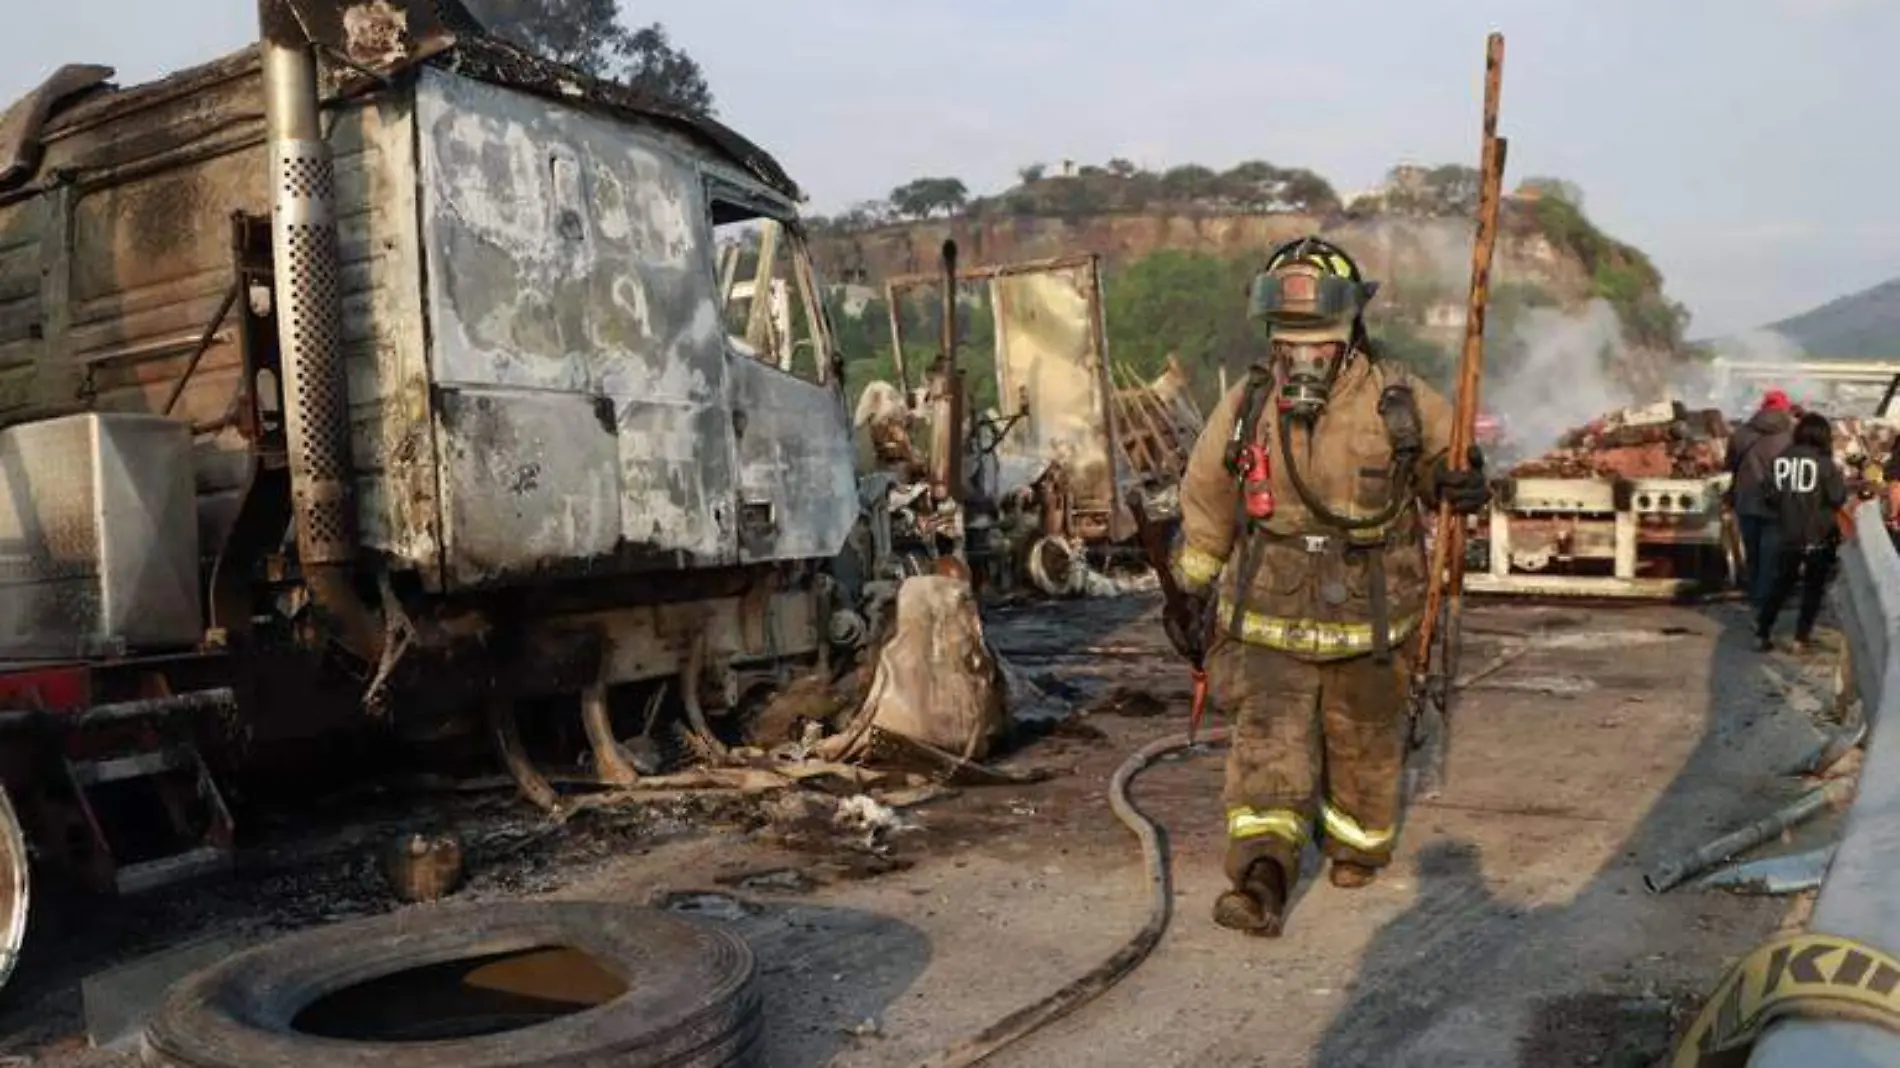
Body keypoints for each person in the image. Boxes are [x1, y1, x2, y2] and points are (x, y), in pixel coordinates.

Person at [1167, 237, 1490, 937]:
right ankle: (1262, 874)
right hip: (1268, 615)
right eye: (1288, 339)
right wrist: (1192, 575)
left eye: (1317, 338)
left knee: (1366, 746)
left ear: (1348, 336)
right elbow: (1209, 489)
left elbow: (1446, 461)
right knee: (1266, 747)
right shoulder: (1250, 403)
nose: (1302, 354)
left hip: (1374, 617)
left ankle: (1355, 845)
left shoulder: (1400, 402)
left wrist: (1459, 483)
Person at [1756, 411, 1847, 654]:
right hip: (1819, 535)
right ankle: (1800, 638)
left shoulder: (1780, 460)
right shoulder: (1825, 464)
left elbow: (1769, 496)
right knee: (1813, 587)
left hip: (1786, 533)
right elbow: (1838, 498)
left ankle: (1762, 631)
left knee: (1781, 584)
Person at [1727, 389, 1795, 608]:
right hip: (1779, 503)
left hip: (1746, 499)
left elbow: (1729, 466)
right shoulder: (1793, 435)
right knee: (1771, 553)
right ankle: (1764, 599)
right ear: (1785, 408)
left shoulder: (1741, 433)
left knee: (1753, 551)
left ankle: (1755, 592)